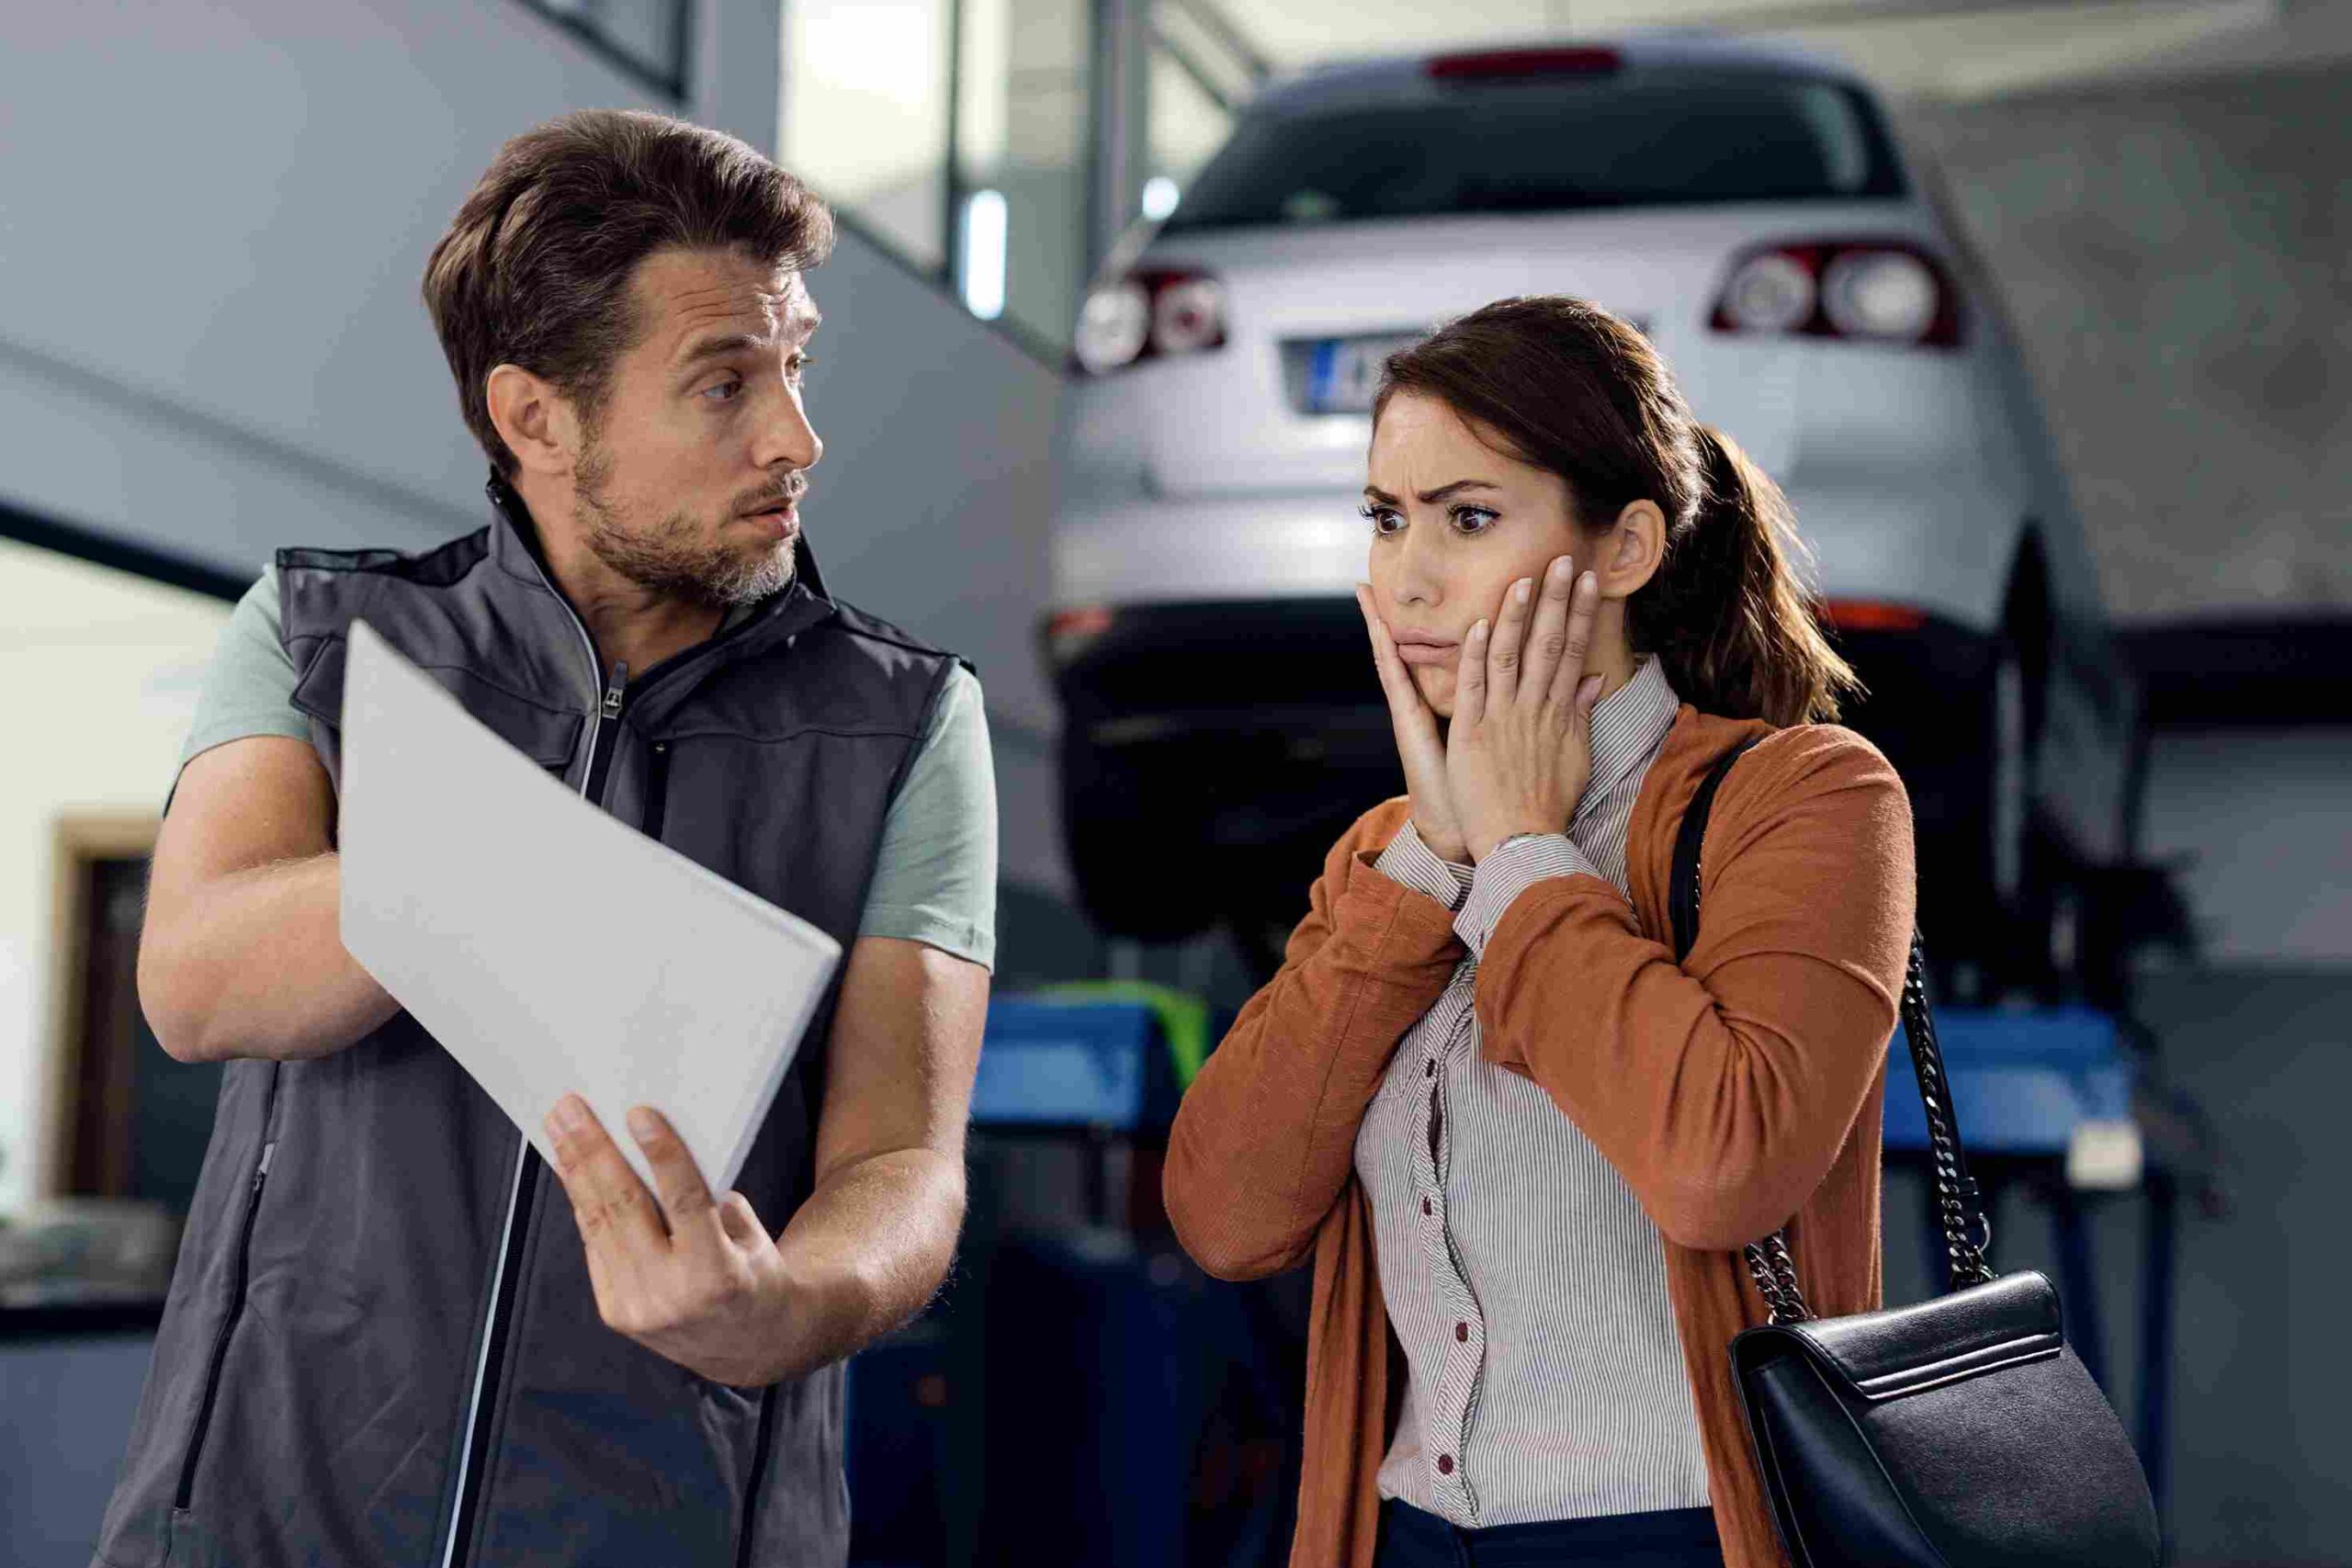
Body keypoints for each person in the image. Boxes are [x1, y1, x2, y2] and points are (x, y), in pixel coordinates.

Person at [93, 110, 995, 1568]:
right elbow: (199, 983)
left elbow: (902, 1161)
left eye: (795, 365)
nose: (798, 439)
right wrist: (506, 846)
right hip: (262, 1523)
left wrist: (791, 1309)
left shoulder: (904, 720)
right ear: (536, 420)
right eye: (724, 383)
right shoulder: (326, 638)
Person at [1162, 296, 1916, 1568]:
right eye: (1387, 518)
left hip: (1680, 1536)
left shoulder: (1811, 797)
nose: (1409, 575)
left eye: (1469, 518)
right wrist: (1431, 862)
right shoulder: (1386, 858)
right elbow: (1225, 1217)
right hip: (1404, 1536)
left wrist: (1523, 856)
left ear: (1625, 549)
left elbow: (1721, 1166)